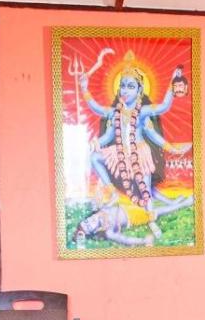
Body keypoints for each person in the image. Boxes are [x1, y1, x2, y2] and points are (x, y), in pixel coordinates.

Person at [77, 52, 190, 241]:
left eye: (131, 86)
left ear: (139, 90)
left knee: (144, 189)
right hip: (120, 153)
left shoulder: (143, 111)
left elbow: (164, 107)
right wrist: (84, 88)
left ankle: (151, 219)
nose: (125, 90)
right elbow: (104, 127)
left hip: (139, 154)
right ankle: (112, 192)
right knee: (95, 157)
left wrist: (172, 82)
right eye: (122, 85)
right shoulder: (115, 113)